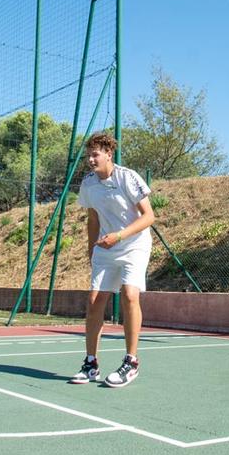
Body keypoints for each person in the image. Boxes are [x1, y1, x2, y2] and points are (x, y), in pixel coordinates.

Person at [70, 131, 155, 388]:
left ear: (109, 154)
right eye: (88, 156)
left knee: (130, 295)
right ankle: (91, 364)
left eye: (95, 155)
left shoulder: (128, 177)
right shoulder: (88, 184)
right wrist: (91, 250)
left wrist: (118, 236)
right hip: (106, 248)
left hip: (134, 244)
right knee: (94, 301)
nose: (90, 160)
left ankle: (131, 362)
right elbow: (93, 218)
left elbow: (149, 216)